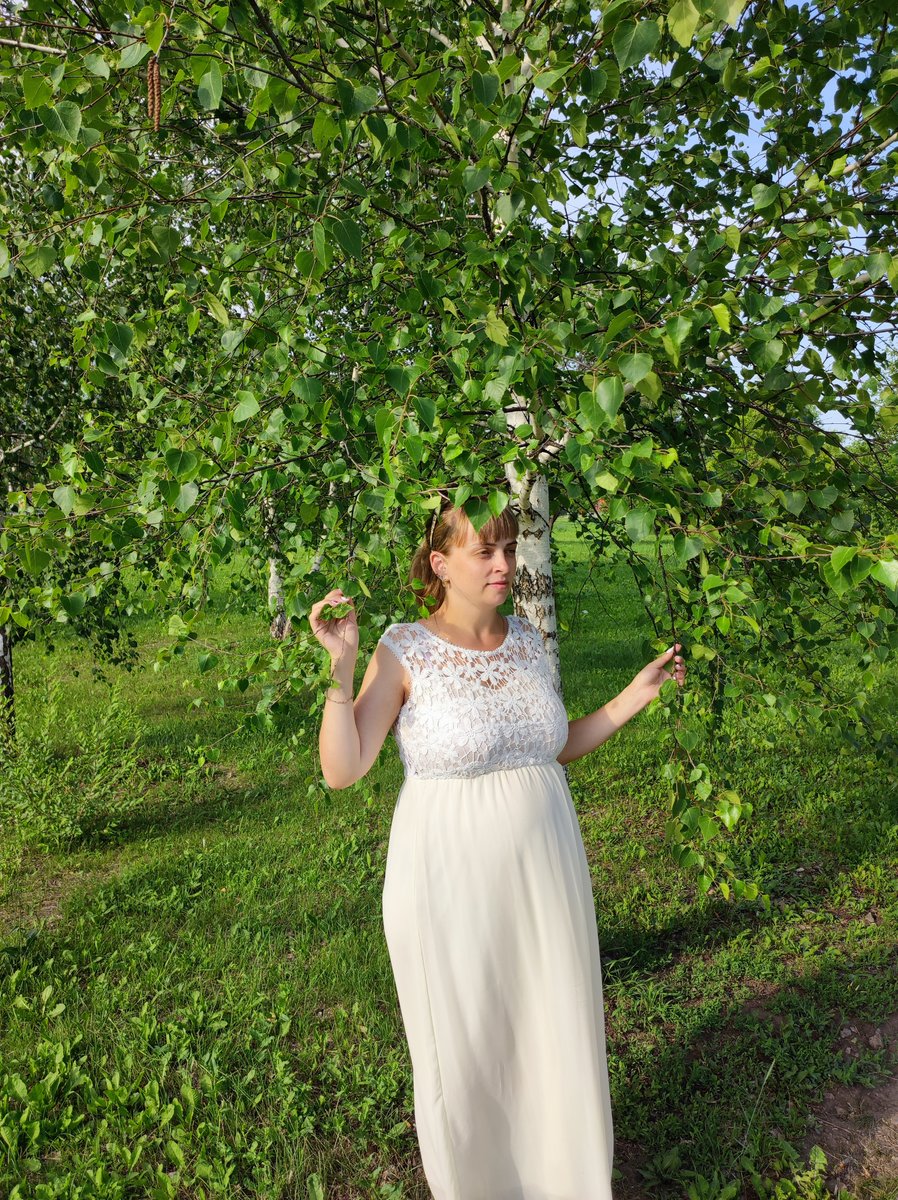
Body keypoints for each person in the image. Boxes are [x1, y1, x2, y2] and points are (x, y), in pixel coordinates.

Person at [310, 500, 686, 1200]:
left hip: (547, 872)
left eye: (509, 549)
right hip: (447, 876)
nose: (503, 564)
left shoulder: (528, 640)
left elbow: (549, 747)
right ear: (440, 563)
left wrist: (635, 696)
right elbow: (343, 768)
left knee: (553, 1029)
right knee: (468, 1045)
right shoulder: (403, 648)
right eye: (484, 551)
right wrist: (342, 665)